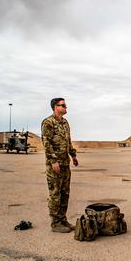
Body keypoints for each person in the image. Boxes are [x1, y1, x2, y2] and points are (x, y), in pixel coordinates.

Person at [41, 97, 78, 233]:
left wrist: (73, 155)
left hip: (65, 164)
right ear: (55, 107)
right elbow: (47, 143)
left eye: (65, 105)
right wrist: (53, 161)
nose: (65, 107)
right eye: (62, 105)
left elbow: (68, 141)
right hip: (55, 165)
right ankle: (55, 223)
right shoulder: (48, 123)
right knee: (55, 193)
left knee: (65, 193)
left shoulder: (65, 122)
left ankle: (63, 219)